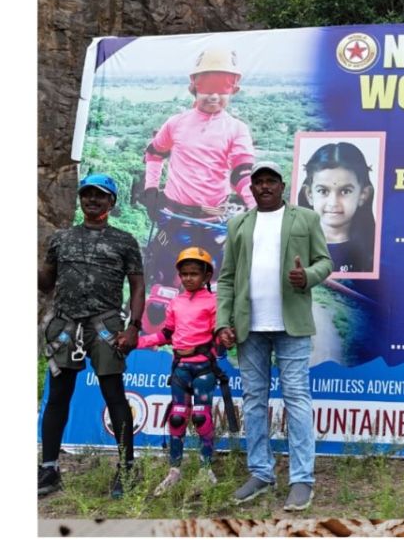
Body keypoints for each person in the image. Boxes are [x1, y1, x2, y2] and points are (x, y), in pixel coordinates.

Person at [214, 159, 332, 511]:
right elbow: (227, 279)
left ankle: (301, 479)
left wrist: (307, 276)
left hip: (291, 325)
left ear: (282, 186)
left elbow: (324, 262)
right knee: (253, 400)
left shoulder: (305, 218)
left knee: (296, 398)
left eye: (271, 181)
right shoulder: (238, 224)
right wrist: (223, 322)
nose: (265, 186)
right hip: (249, 328)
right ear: (251, 188)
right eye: (259, 181)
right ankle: (261, 473)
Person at [38, 173, 144, 500]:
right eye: (87, 194)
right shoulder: (61, 239)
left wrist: (133, 326)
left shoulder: (124, 241)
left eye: (100, 195)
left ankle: (126, 469)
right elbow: (46, 283)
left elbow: (138, 285)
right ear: (81, 199)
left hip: (105, 326)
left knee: (114, 395)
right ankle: (49, 468)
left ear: (111, 201)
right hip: (66, 326)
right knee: (58, 397)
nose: (92, 200)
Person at [139, 47, 255, 327]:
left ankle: (206, 345)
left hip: (213, 224)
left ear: (233, 90)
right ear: (194, 87)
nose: (214, 96)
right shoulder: (176, 123)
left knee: (212, 295)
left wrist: (257, 209)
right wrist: (151, 190)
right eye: (207, 89)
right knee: (161, 291)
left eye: (222, 89)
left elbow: (241, 172)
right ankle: (153, 343)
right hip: (174, 220)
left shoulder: (236, 129)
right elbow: (154, 153)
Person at [138, 248, 224, 495]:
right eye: (184, 274)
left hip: (204, 369)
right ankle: (174, 471)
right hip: (180, 369)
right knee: (177, 417)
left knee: (201, 417)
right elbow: (166, 334)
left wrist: (226, 338)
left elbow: (219, 336)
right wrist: (137, 342)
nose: (188, 278)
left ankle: (206, 470)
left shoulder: (213, 302)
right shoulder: (176, 302)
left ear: (206, 276)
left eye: (194, 274)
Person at [297, 142, 377, 274]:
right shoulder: (295, 248)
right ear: (309, 194)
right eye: (323, 191)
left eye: (345, 191)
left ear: (363, 195)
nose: (333, 203)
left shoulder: (376, 252)